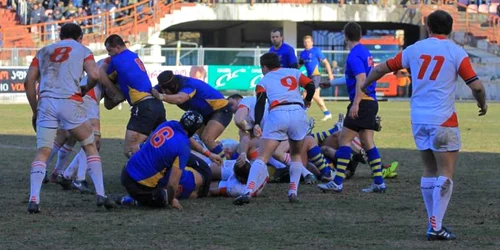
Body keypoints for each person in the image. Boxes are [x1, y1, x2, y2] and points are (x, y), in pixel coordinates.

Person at [361, 10, 487, 240]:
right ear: (450, 29)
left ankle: (433, 221)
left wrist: (365, 85)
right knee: (446, 172)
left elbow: (380, 69)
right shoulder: (455, 51)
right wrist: (483, 103)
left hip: (418, 118)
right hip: (444, 119)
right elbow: (476, 86)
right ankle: (435, 226)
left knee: (429, 169)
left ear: (428, 27)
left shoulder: (414, 49)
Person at [24, 23, 115, 213]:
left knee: (42, 152)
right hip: (70, 101)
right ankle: (101, 194)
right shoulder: (82, 50)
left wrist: (35, 109)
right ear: (80, 36)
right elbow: (94, 74)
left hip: (47, 103)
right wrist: (85, 89)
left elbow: (28, 81)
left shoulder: (43, 51)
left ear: (60, 35)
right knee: (90, 145)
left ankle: (34, 199)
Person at [233, 52, 316, 205]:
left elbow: (260, 103)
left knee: (262, 157)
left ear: (264, 67)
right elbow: (311, 85)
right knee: (296, 155)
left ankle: (248, 190)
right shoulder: (294, 72)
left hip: (278, 114)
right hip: (298, 113)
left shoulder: (263, 81)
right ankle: (293, 192)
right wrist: (307, 100)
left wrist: (257, 122)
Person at [317, 22, 386, 194]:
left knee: (344, 140)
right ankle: (379, 182)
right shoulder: (364, 51)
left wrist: (355, 103)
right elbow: (354, 78)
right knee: (367, 143)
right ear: (360, 35)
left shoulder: (354, 55)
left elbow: (361, 80)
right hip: (371, 102)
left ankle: (337, 181)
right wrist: (331, 83)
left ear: (345, 36)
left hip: (361, 102)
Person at [120, 110, 204, 209]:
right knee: (189, 194)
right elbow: (172, 184)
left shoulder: (168, 124)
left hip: (126, 171)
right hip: (140, 186)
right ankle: (132, 200)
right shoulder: (183, 146)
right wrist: (171, 200)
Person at [103, 34, 166, 158]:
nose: (109, 55)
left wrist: (113, 92)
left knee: (131, 150)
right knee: (161, 145)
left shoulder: (116, 60)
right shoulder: (133, 56)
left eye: (109, 51)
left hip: (143, 107)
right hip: (157, 105)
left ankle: (145, 174)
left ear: (117, 47)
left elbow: (103, 76)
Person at [151, 71, 232, 163]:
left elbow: (180, 99)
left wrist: (161, 96)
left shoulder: (188, 85)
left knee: (207, 138)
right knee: (195, 141)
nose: (164, 92)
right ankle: (215, 158)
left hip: (220, 109)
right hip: (204, 113)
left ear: (173, 87)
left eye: (165, 90)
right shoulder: (169, 84)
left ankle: (227, 165)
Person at [299, 35, 334, 121]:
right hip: (309, 77)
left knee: (310, 93)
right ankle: (327, 113)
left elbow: (326, 62)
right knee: (313, 96)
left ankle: (302, 113)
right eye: (305, 42)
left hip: (316, 76)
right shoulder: (303, 53)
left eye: (308, 42)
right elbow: (299, 65)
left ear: (312, 42)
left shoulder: (316, 51)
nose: (307, 43)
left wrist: (330, 74)